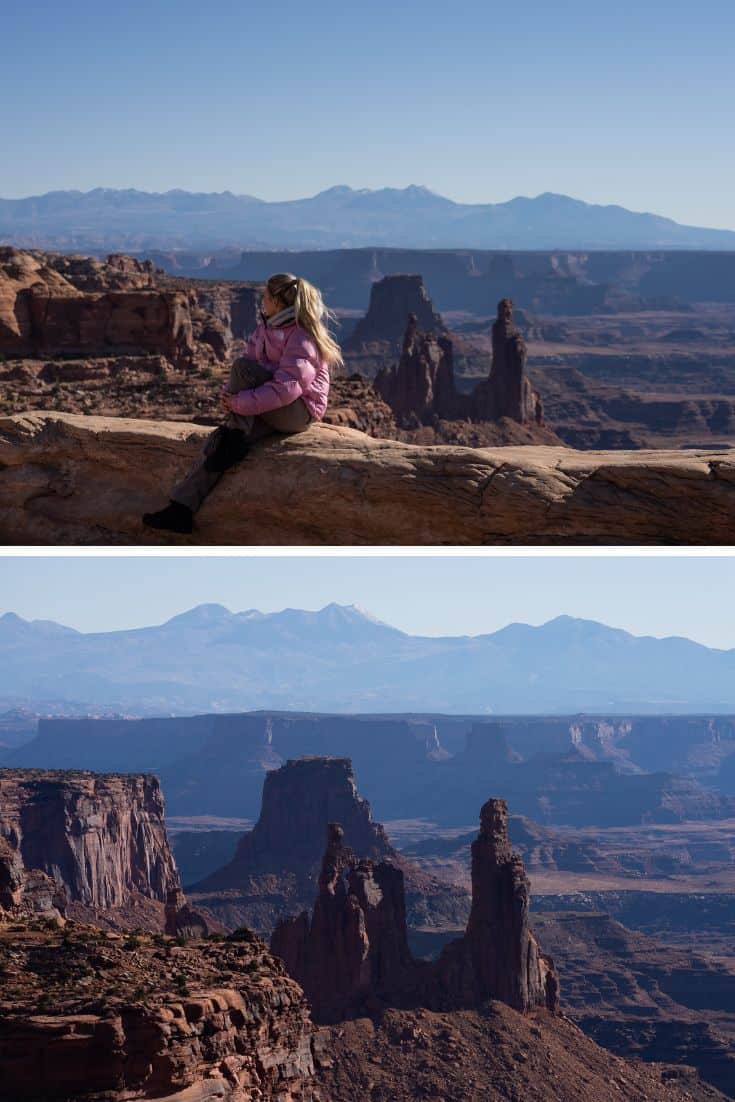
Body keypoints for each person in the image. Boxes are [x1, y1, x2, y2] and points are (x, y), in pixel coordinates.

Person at [142, 273, 343, 534]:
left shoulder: (301, 337)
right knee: (220, 442)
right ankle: (181, 510)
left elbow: (287, 389)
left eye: (266, 297)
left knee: (231, 423)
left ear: (278, 302)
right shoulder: (269, 327)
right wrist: (230, 396)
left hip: (299, 411)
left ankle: (233, 433)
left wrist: (239, 404)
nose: (262, 301)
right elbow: (248, 365)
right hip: (275, 405)